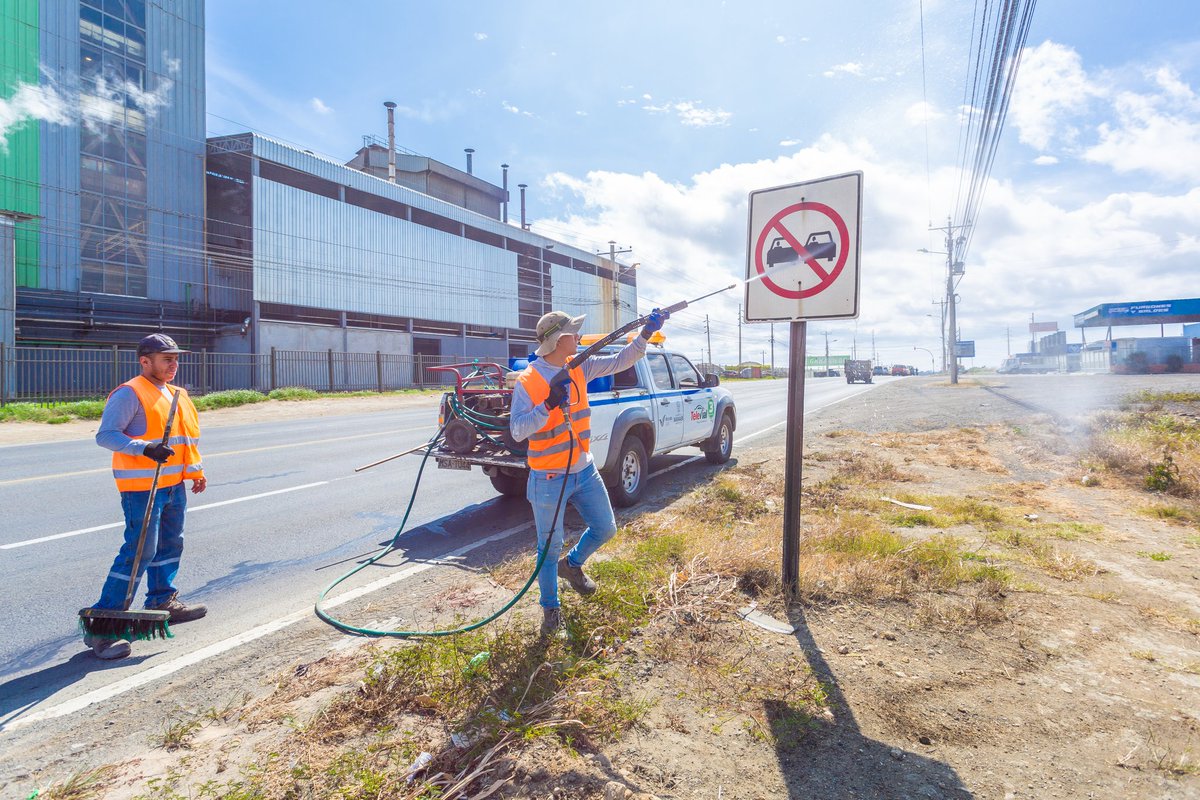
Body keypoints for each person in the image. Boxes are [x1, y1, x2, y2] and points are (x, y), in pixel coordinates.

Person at [510, 308, 668, 637]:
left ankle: (574, 564)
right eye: (573, 333)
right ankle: (551, 608)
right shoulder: (529, 380)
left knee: (605, 528)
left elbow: (622, 360)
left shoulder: (578, 366)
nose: (579, 337)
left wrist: (646, 334)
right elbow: (518, 430)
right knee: (548, 549)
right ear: (556, 340)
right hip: (548, 478)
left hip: (583, 469)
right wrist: (548, 405)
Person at [88, 334, 208, 659]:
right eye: (166, 358)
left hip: (173, 487)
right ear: (145, 361)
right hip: (142, 488)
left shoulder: (178, 394)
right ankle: (103, 626)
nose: (174, 364)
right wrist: (145, 448)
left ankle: (161, 600)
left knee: (170, 545)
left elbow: (186, 439)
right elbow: (107, 435)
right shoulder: (130, 393)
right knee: (140, 551)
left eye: (175, 358)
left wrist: (195, 472)